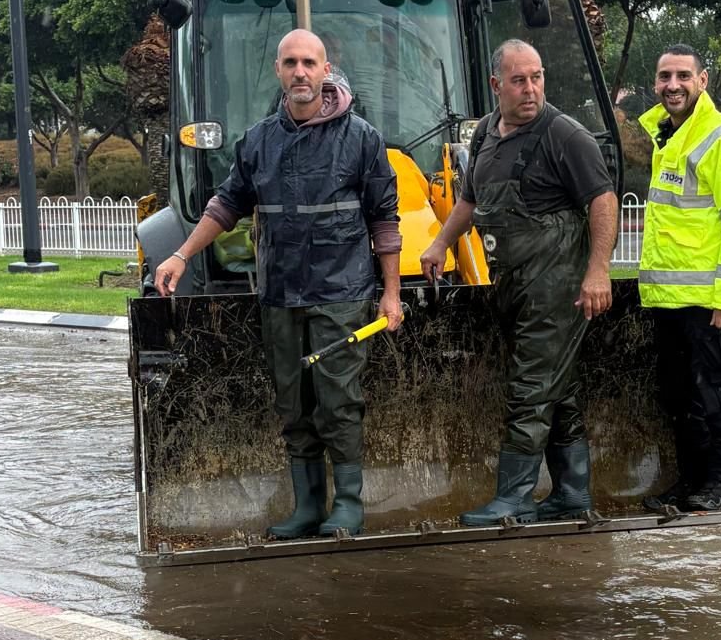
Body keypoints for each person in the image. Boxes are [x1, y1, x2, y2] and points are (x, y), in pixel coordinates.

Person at [155, 29, 403, 539]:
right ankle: (308, 507)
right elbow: (224, 207)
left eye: (309, 62)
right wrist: (181, 254)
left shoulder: (362, 139)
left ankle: (349, 505)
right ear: (278, 71)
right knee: (293, 404)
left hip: (342, 295)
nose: (300, 72)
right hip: (280, 295)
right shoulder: (258, 141)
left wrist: (392, 292)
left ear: (325, 68)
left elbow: (384, 220)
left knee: (338, 401)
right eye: (290, 63)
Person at [421, 39, 617, 525]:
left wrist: (597, 271)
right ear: (496, 86)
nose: (530, 89)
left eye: (537, 77)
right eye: (518, 80)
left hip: (558, 283)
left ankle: (513, 496)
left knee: (530, 386)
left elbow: (603, 201)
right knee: (558, 385)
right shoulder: (486, 133)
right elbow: (469, 201)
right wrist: (440, 244)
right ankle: (573, 493)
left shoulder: (566, 135)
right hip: (513, 278)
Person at [637, 44, 721, 513]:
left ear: (702, 80)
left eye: (683, 76)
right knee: (678, 395)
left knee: (718, 391)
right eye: (665, 76)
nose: (673, 85)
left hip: (711, 300)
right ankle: (690, 481)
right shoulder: (665, 136)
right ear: (655, 83)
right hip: (668, 299)